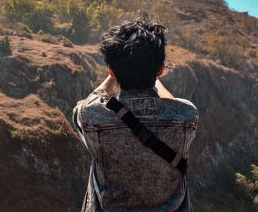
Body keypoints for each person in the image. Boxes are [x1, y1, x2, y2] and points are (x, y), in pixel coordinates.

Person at [72, 17, 198, 212]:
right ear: (161, 69)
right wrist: (152, 75)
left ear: (112, 70)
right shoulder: (187, 116)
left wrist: (115, 73)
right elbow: (172, 105)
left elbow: (91, 99)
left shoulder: (91, 116)